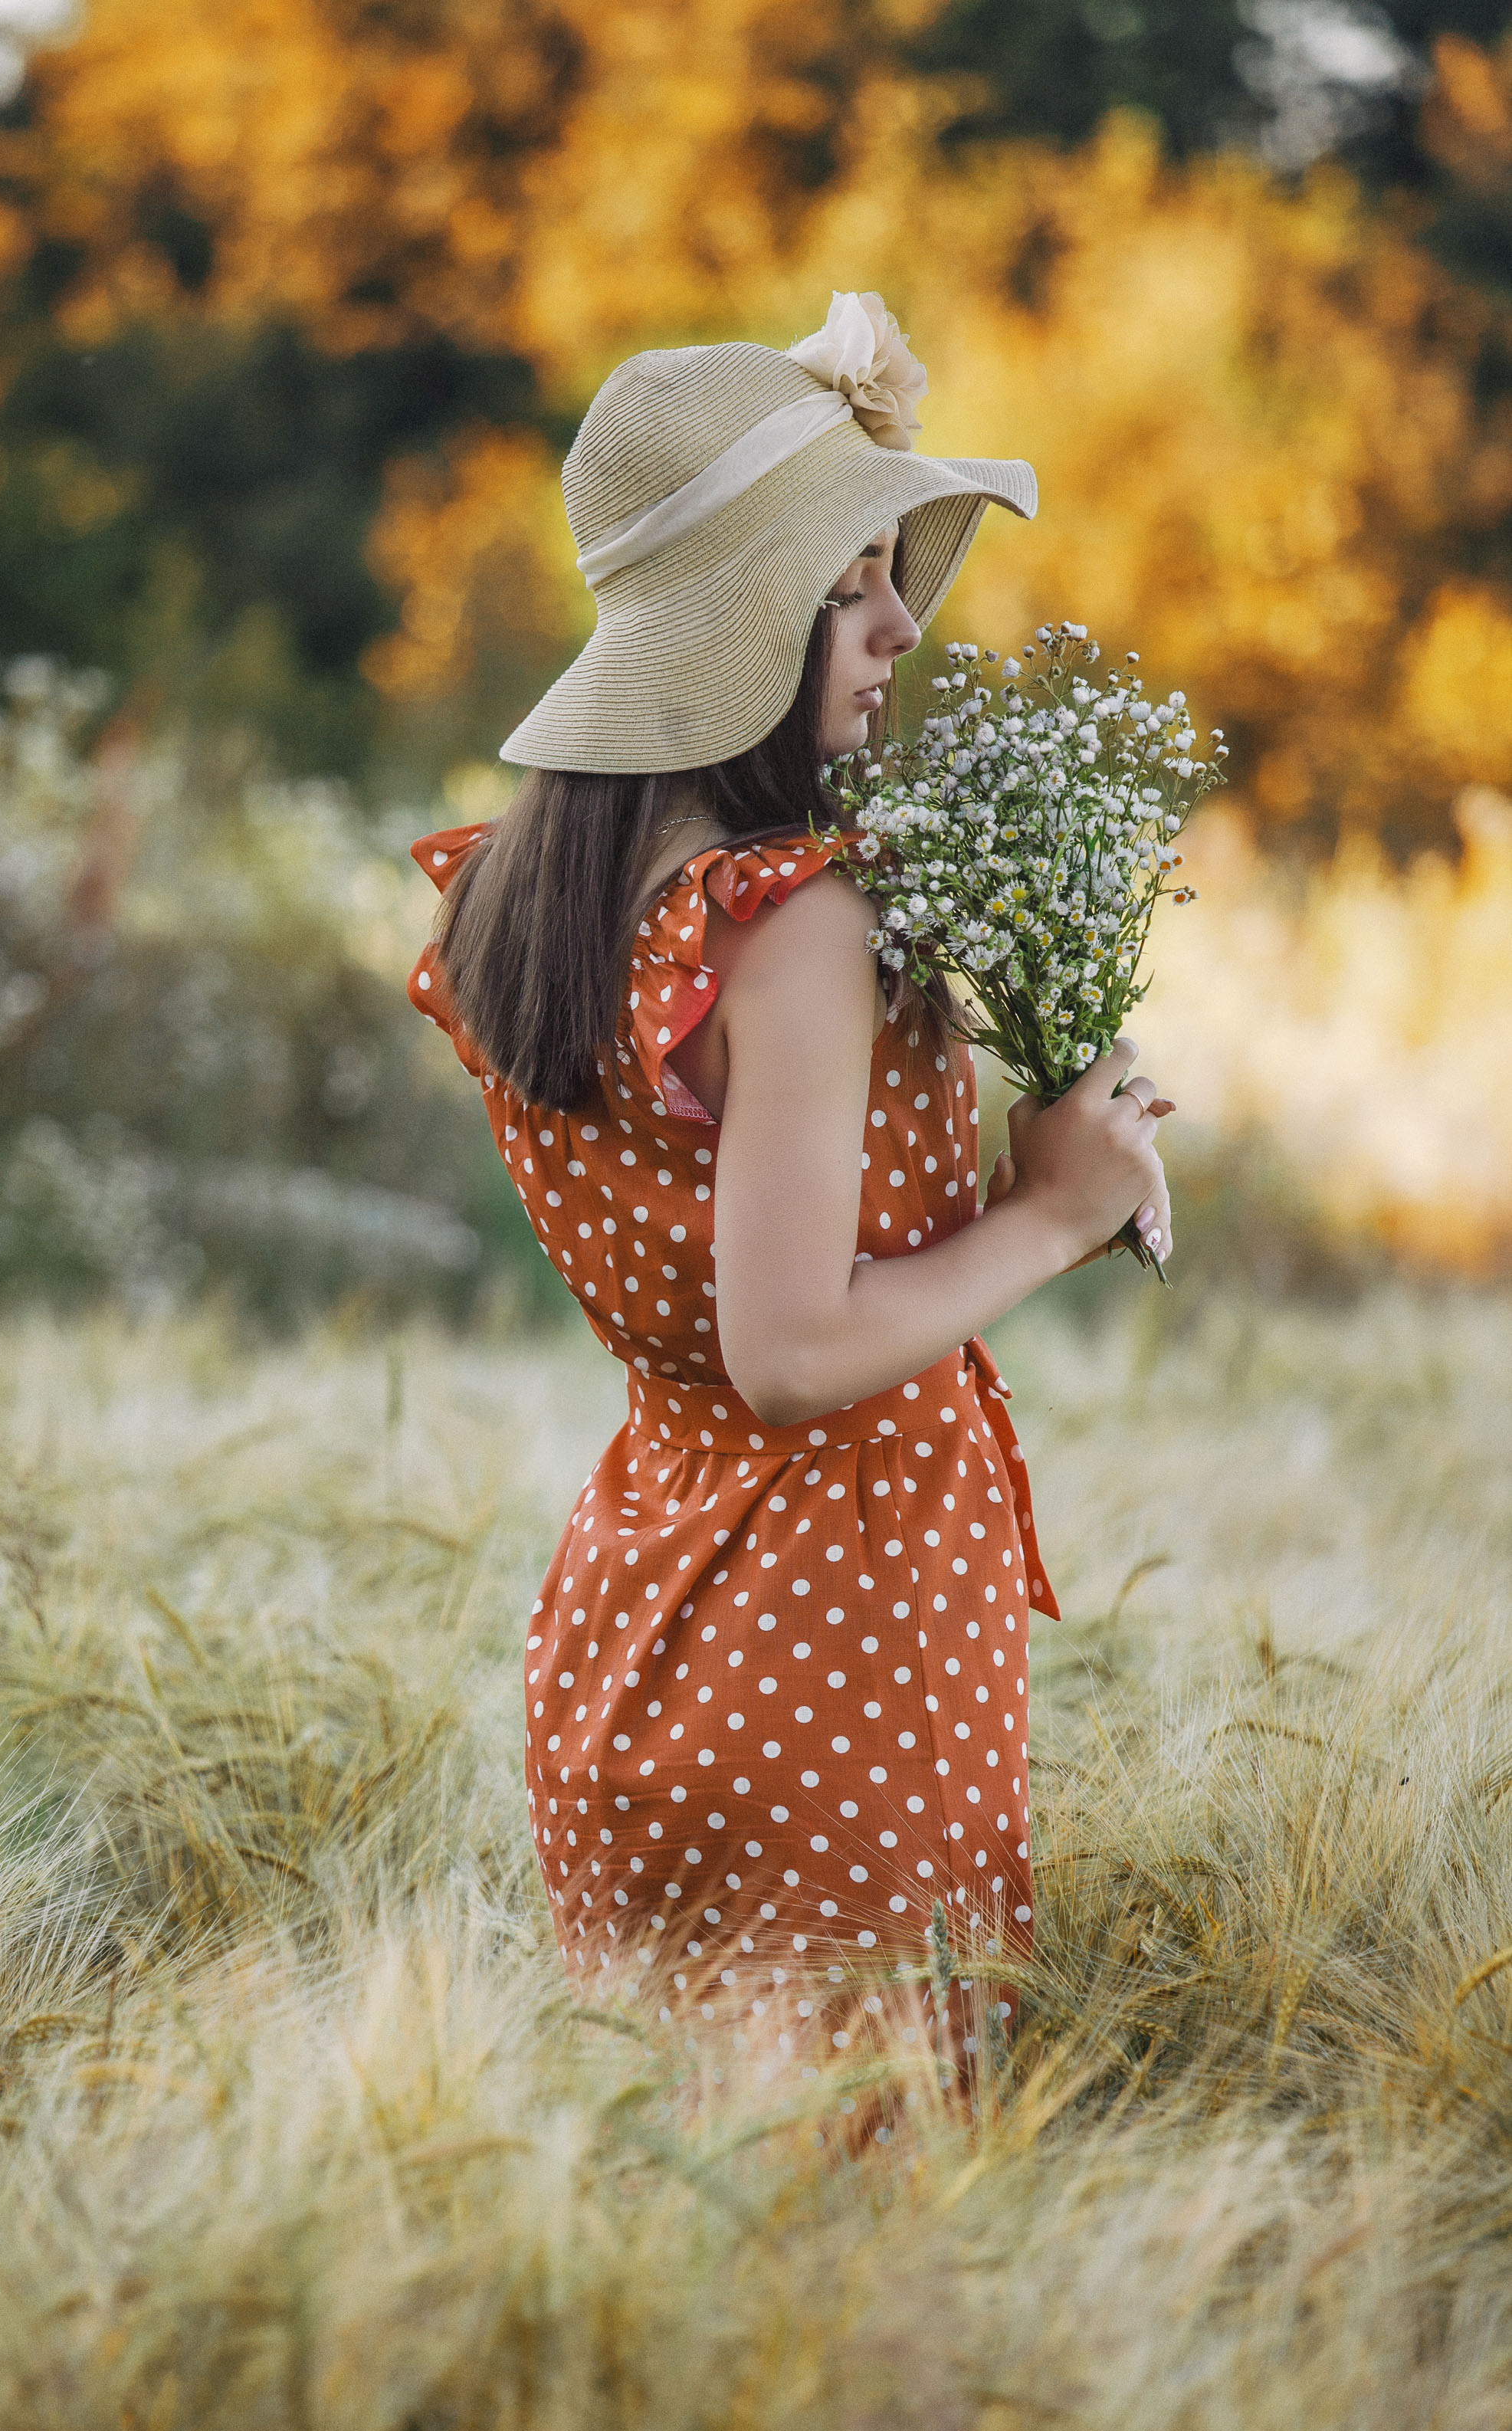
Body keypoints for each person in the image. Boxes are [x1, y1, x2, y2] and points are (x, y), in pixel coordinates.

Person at [405, 296, 1172, 2111]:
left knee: (693, 2275)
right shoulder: (794, 919)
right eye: (847, 587)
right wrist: (1052, 1217)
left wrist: (996, 1179)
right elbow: (796, 1350)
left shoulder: (535, 894)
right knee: (873, 2256)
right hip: (840, 1634)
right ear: (740, 629)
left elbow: (727, 1261)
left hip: (638, 1628)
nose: (900, 618)